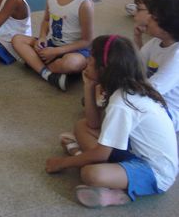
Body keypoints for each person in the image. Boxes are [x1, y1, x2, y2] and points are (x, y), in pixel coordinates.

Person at [45, 35, 178, 209]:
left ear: (104, 69)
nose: (86, 62)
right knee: (81, 126)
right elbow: (93, 124)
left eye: (90, 60)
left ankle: (118, 194)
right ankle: (91, 162)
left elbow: (102, 153)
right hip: (132, 150)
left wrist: (61, 164)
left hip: (154, 172)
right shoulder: (124, 87)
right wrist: (89, 86)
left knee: (91, 174)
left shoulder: (122, 102)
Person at [12, 0, 96, 91]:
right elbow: (46, 20)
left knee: (72, 63)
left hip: (75, 50)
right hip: (52, 44)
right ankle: (49, 74)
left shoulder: (84, 4)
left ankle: (37, 65)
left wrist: (57, 52)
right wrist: (43, 37)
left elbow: (87, 41)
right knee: (17, 40)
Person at [133, 0, 179, 131]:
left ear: (167, 26)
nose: (147, 18)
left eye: (152, 17)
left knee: (121, 108)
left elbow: (151, 90)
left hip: (167, 112)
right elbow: (135, 66)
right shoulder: (155, 42)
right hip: (149, 100)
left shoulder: (176, 55)